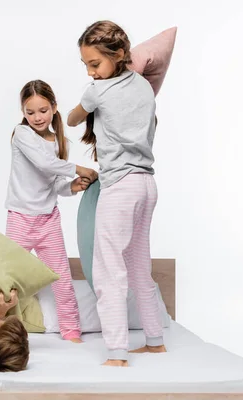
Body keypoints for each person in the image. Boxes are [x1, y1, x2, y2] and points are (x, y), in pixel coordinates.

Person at [67, 20, 167, 366]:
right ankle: (155, 340)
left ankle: (117, 353)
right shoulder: (142, 86)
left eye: (94, 64)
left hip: (121, 187)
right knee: (139, 267)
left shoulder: (98, 91)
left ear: (120, 54)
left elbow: (72, 120)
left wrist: (86, 100)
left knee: (109, 270)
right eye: (86, 66)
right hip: (146, 185)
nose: (91, 72)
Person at [5, 79, 98, 342]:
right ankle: (3, 330)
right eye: (30, 112)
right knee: (8, 280)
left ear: (54, 108)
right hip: (20, 219)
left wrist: (73, 186)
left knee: (62, 280)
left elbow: (54, 182)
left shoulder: (57, 141)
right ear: (23, 112)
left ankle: (71, 331)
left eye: (43, 111)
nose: (37, 117)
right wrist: (79, 168)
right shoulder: (21, 134)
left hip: (48, 221)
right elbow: (45, 164)